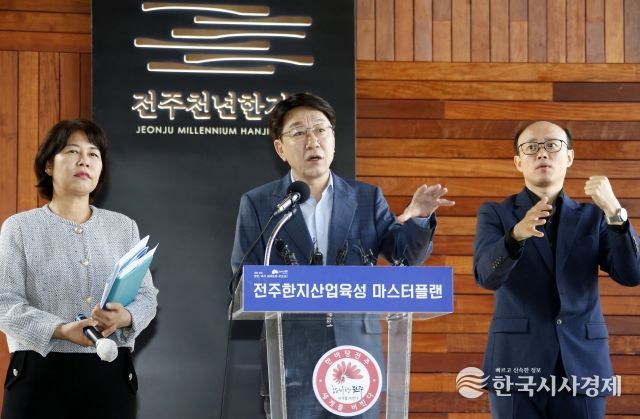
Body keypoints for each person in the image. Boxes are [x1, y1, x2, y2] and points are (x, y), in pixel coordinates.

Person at [231, 92, 454, 418]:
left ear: (333, 139)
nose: (313, 141)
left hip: (357, 359)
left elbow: (404, 255)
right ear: (280, 148)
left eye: (321, 130)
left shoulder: (366, 198)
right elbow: (243, 277)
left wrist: (419, 218)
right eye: (299, 132)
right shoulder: (260, 203)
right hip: (291, 360)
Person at [473, 121, 640, 418]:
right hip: (516, 364)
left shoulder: (594, 216)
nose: (542, 154)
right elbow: (486, 276)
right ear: (518, 161)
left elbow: (631, 274)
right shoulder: (496, 214)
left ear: (569, 157)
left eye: (552, 145)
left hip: (582, 364)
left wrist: (615, 212)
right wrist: (515, 237)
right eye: (531, 147)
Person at [0, 119, 158, 419]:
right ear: (48, 165)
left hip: (110, 377)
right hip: (38, 375)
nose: (84, 160)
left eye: (93, 154)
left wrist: (125, 317)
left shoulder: (123, 227)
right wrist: (60, 330)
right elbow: (4, 303)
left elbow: (147, 297)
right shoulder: (19, 228)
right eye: (72, 151)